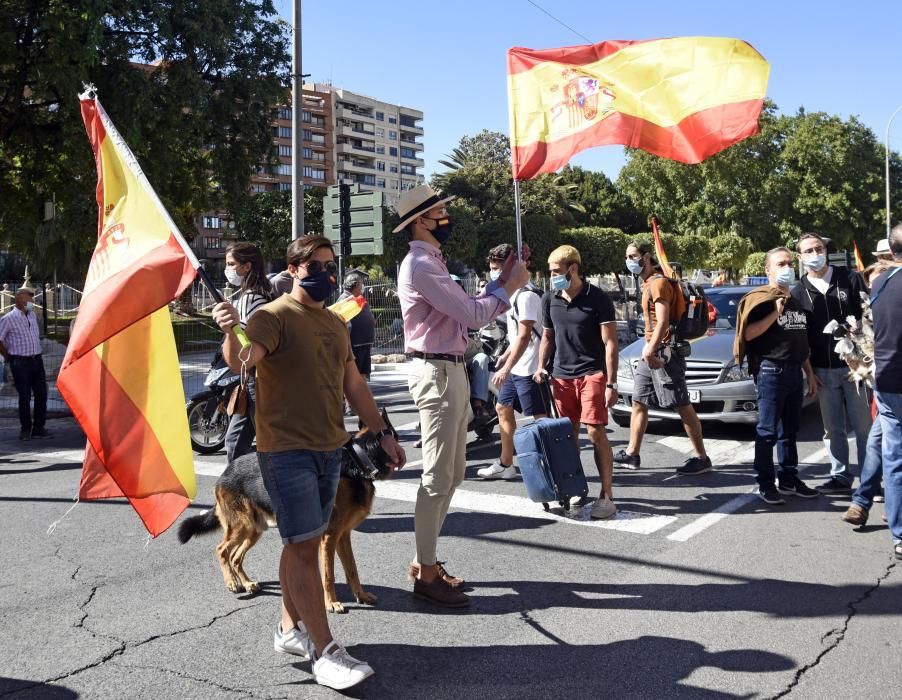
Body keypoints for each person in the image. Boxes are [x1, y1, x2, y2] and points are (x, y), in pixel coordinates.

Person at [212, 235, 405, 691]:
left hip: (330, 450)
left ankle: (286, 630)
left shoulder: (335, 324)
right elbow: (244, 357)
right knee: (302, 545)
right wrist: (227, 329)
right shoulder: (272, 316)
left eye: (330, 265)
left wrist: (384, 434)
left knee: (303, 541)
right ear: (293, 268)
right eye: (315, 265)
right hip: (285, 452)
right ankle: (325, 650)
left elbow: (354, 384)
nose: (326, 273)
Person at [395, 184, 529, 608]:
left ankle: (425, 562)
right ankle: (426, 572)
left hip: (448, 368)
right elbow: (472, 313)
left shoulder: (431, 262)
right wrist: (508, 288)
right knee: (437, 476)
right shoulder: (421, 264)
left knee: (451, 475)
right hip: (435, 370)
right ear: (420, 221)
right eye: (439, 212)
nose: (447, 218)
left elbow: (467, 308)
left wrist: (504, 281)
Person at [533, 245, 619, 519]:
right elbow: (547, 337)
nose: (552, 277)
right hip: (561, 376)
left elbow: (610, 343)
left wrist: (611, 383)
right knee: (566, 438)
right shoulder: (549, 299)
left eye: (557, 272)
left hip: (592, 373)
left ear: (573, 269)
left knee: (595, 432)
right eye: (550, 272)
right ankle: (574, 491)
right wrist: (541, 367)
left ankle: (606, 495)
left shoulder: (598, 298)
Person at [613, 242, 712, 475]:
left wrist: (651, 349)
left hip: (663, 351)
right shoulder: (649, 282)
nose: (629, 261)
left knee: (681, 403)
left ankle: (701, 457)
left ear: (646, 257)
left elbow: (664, 321)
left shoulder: (658, 283)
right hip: (652, 348)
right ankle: (631, 454)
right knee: (639, 400)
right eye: (627, 256)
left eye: (632, 256)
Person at [734, 247, 819, 505]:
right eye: (781, 264)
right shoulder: (760, 299)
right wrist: (775, 312)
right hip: (771, 371)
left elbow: (800, 340)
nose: (787, 268)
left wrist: (810, 374)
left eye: (790, 263)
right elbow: (748, 334)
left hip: (795, 371)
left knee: (790, 431)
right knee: (767, 431)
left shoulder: (796, 300)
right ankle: (766, 484)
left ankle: (789, 479)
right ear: (768, 270)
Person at [791, 232, 871, 494]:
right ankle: (840, 476)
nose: (815, 255)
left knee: (863, 428)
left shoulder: (849, 278)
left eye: (818, 248)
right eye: (809, 251)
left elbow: (868, 314)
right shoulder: (799, 291)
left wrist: (860, 341)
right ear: (800, 258)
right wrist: (810, 372)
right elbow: (800, 336)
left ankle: (872, 479)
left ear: (825, 249)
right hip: (823, 370)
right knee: (832, 429)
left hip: (855, 367)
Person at [478, 243, 546, 480]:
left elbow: (526, 335)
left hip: (529, 367)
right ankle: (506, 464)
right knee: (502, 408)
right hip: (518, 364)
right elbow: (517, 334)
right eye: (492, 268)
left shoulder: (527, 295)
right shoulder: (513, 294)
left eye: (498, 268)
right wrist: (507, 356)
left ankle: (549, 465)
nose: (494, 273)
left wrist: (506, 367)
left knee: (539, 418)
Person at [222, 242, 274, 463]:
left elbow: (243, 341)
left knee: (265, 443)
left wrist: (228, 330)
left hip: (257, 378)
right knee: (235, 442)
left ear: (246, 267)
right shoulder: (261, 294)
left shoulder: (251, 299)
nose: (228, 269)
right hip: (254, 378)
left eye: (231, 264)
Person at [869, 224, 902, 560]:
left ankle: (899, 534)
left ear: (892, 253)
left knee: (895, 461)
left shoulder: (880, 284)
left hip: (888, 381)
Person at [0, 287, 50, 441]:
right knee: (25, 396)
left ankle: (39, 428)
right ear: (20, 299)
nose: (32, 302)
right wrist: (8, 357)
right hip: (20, 362)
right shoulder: (8, 318)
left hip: (36, 359)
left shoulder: (32, 315)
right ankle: (25, 429)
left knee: (42, 393)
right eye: (29, 299)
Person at [337, 270, 376, 381]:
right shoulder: (344, 299)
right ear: (354, 284)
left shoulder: (358, 298)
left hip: (364, 344)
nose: (362, 286)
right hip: (355, 346)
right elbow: (342, 322)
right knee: (354, 378)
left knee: (363, 374)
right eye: (360, 283)